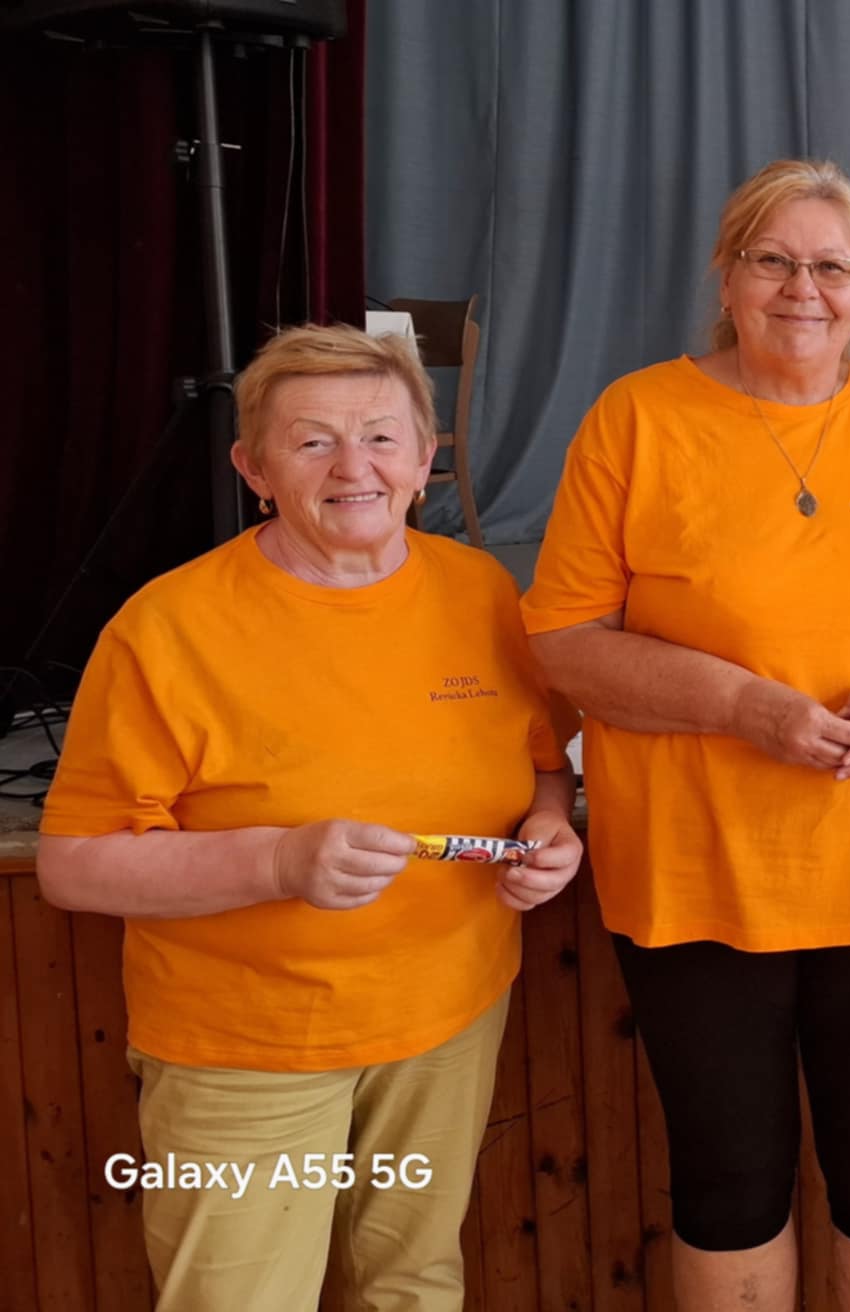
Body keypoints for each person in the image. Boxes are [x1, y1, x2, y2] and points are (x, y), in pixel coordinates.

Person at [522, 158, 850, 1312]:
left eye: (832, 266)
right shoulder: (638, 418)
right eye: (772, 260)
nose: (803, 289)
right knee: (729, 1184)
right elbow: (564, 641)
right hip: (698, 873)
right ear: (726, 276)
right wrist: (748, 708)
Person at [36, 323, 582, 1311]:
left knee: (413, 1287)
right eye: (313, 441)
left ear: (425, 459)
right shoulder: (167, 628)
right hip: (246, 1052)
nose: (353, 467)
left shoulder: (482, 593)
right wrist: (280, 862)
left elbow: (544, 764)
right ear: (253, 469)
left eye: (380, 437)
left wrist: (550, 829)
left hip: (448, 1023)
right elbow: (73, 863)